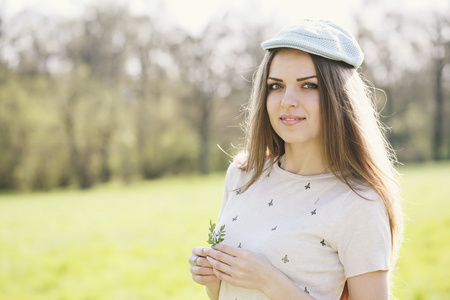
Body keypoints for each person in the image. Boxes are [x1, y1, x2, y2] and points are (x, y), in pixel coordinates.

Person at [189, 19, 403, 300]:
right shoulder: (243, 173)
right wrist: (213, 279)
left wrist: (269, 281)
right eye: (276, 86)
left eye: (309, 86)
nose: (286, 100)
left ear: (339, 97)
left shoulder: (359, 202)